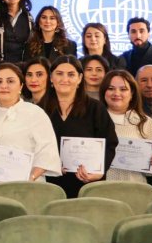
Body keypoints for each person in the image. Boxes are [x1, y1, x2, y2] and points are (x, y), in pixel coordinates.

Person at [0, 62, 61, 193]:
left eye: (10, 81)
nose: (4, 86)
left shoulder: (35, 113)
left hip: (27, 189)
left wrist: (29, 179)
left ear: (20, 85)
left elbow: (47, 154)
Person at [44, 58, 110, 198]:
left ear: (80, 78)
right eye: (59, 73)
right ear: (51, 77)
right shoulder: (39, 110)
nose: (65, 79)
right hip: (49, 185)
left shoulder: (95, 108)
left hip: (86, 184)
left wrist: (99, 170)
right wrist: (48, 164)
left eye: (71, 74)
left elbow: (110, 142)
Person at [100, 70, 152, 185]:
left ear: (132, 93)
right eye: (111, 88)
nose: (116, 93)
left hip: (135, 192)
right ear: (104, 92)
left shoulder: (146, 123)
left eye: (123, 89)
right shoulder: (93, 119)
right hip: (100, 191)